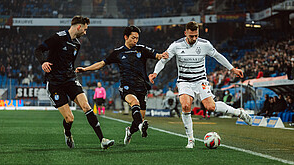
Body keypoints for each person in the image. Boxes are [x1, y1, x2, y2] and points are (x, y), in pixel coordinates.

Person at [149, 21, 252, 149]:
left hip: (200, 80)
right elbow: (163, 60)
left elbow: (218, 56)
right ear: (185, 33)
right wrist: (155, 73)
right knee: (186, 105)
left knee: (210, 107)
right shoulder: (176, 45)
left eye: (196, 35)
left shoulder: (205, 44)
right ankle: (191, 140)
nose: (194, 38)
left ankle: (239, 113)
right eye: (191, 36)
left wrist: (232, 69)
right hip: (184, 81)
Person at [76, 25, 167, 145]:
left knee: (140, 117)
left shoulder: (141, 49)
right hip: (127, 87)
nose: (135, 40)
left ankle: (130, 131)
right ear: (126, 37)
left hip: (142, 87)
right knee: (134, 103)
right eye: (133, 38)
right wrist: (86, 69)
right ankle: (140, 126)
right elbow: (102, 63)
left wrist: (161, 55)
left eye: (137, 38)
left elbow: (156, 55)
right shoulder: (118, 53)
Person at [35, 15, 114, 149]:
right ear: (79, 27)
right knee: (69, 118)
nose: (85, 32)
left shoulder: (77, 44)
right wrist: (43, 62)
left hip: (70, 79)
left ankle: (102, 140)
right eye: (84, 29)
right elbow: (39, 50)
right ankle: (67, 132)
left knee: (86, 106)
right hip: (55, 82)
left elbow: (69, 62)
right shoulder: (58, 38)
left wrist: (78, 70)